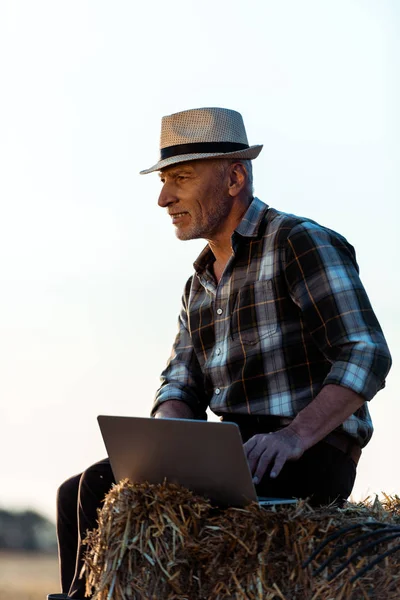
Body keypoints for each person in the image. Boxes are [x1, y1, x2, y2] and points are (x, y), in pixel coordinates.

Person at [51, 107, 391, 600]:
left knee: (103, 490)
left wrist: (293, 437)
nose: (164, 198)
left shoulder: (299, 242)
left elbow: (366, 352)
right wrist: (167, 440)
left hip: (306, 456)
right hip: (231, 454)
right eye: (165, 181)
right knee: (77, 492)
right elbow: (180, 384)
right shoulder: (199, 283)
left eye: (181, 179)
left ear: (235, 178)